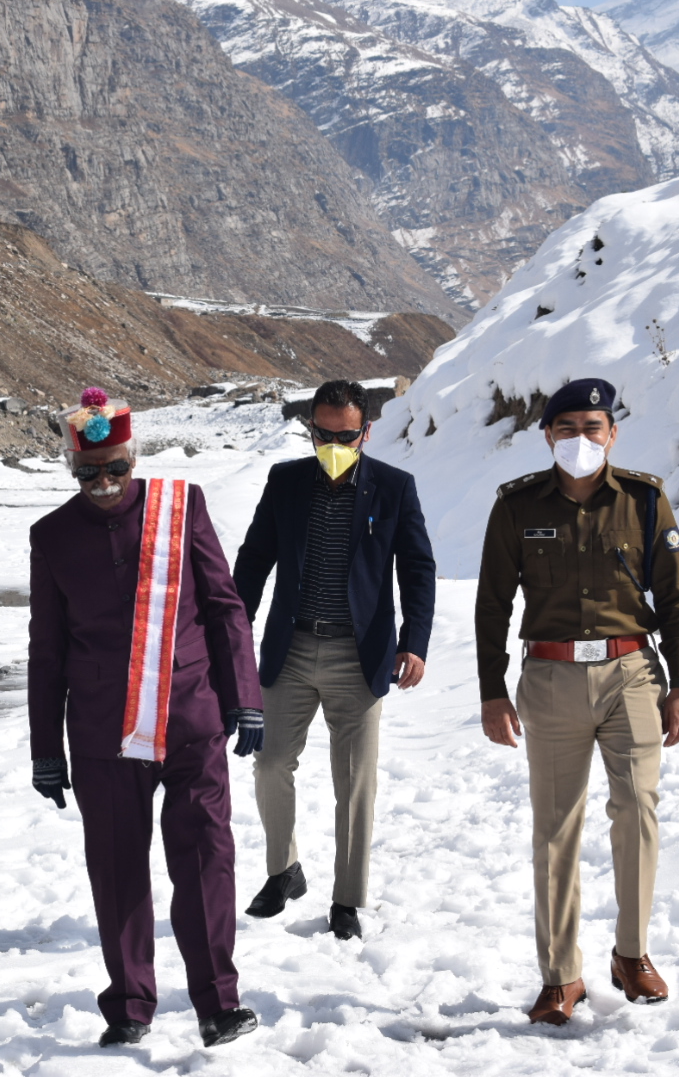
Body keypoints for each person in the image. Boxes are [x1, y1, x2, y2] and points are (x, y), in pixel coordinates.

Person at [27, 387, 263, 1049]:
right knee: (117, 866)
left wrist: (244, 695)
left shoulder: (180, 509)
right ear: (72, 470)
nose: (104, 485)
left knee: (207, 860)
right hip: (105, 732)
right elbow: (46, 652)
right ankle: (130, 1004)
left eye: (115, 469)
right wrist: (46, 746)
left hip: (192, 717)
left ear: (134, 460)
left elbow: (224, 607)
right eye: (89, 474)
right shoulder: (51, 537)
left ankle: (219, 1003)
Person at [476, 377, 679, 1025]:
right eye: (566, 428)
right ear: (547, 435)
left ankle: (631, 955)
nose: (580, 439)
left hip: (631, 674)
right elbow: (493, 604)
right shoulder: (517, 507)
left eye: (592, 427)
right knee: (556, 831)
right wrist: (492, 692)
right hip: (550, 680)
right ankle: (560, 977)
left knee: (637, 812)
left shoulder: (645, 500)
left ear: (612, 433)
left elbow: (677, 597)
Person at [233, 380, 435, 938]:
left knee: (355, 781)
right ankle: (283, 870)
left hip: (359, 654)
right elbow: (253, 562)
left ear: (366, 431)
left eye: (346, 434)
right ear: (311, 429)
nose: (335, 442)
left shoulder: (394, 488)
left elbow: (417, 569)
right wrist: (229, 634)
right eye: (324, 433)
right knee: (271, 763)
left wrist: (413, 641)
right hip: (291, 649)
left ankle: (347, 900)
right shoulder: (286, 482)